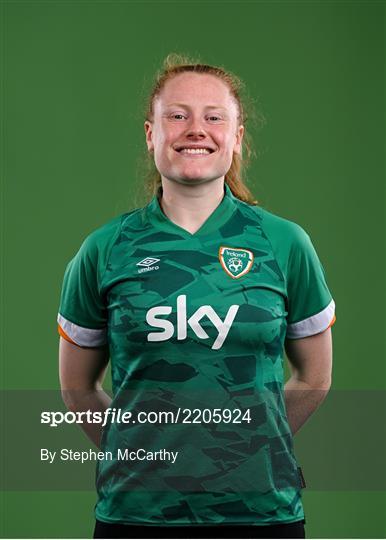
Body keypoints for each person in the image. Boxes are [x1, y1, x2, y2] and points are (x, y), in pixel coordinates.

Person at [58, 54, 336, 539]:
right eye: (177, 115)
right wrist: (141, 453)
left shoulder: (285, 243)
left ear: (237, 136)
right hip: (135, 515)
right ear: (151, 134)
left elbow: (315, 376)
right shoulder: (105, 248)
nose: (195, 129)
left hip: (261, 514)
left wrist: (249, 448)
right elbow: (77, 389)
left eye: (213, 117)